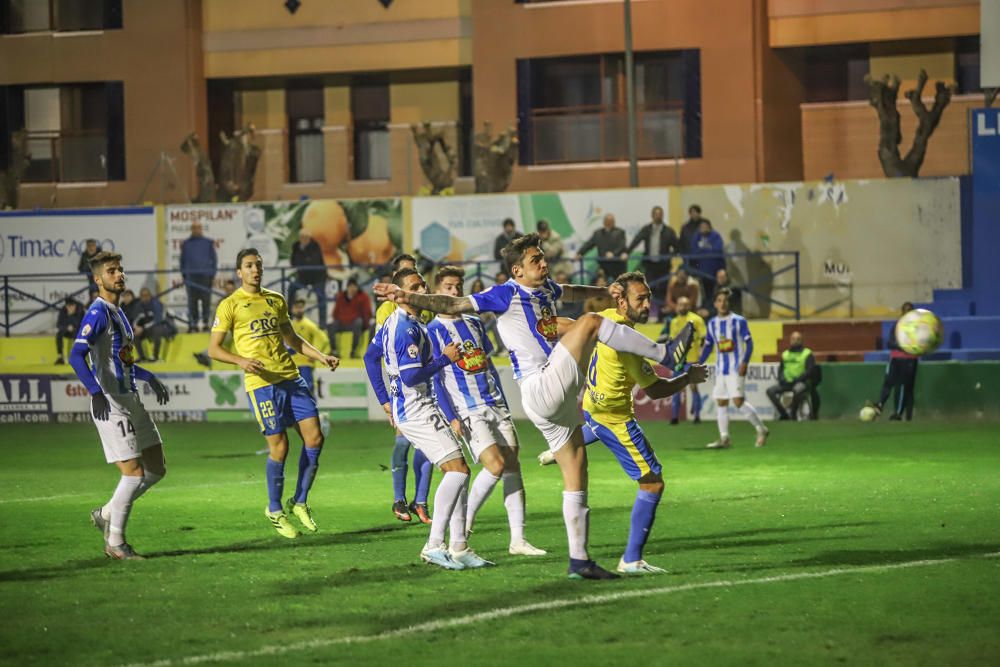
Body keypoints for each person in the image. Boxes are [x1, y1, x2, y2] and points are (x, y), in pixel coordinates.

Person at [374, 233, 695, 580]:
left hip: (551, 394)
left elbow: (573, 292)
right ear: (517, 269)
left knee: (576, 472)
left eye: (542, 257)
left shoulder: (545, 290)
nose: (543, 263)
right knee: (589, 323)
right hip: (540, 384)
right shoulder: (505, 293)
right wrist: (408, 296)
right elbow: (453, 305)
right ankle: (664, 353)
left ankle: (579, 560)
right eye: (535, 260)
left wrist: (607, 292)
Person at [364, 268, 492, 570]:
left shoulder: (398, 321)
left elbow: (371, 358)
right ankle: (434, 545)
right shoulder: (406, 329)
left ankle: (459, 547)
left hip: (416, 407)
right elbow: (411, 377)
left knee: (459, 471)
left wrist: (385, 401)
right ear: (400, 293)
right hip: (416, 409)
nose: (421, 290)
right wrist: (445, 359)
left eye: (422, 285)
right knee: (458, 471)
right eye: (414, 286)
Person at [207, 248, 340, 539]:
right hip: (262, 384)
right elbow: (213, 349)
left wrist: (321, 356)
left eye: (258, 265)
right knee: (280, 447)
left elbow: (292, 338)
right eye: (248, 265)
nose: (255, 269)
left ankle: (300, 501)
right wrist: (241, 361)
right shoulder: (229, 305)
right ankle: (275, 509)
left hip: (290, 377)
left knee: (315, 437)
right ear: (239, 272)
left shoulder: (275, 300)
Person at [582, 272, 707, 573]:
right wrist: (687, 378)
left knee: (596, 427)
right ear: (622, 300)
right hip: (616, 419)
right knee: (652, 482)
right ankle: (631, 559)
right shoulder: (628, 344)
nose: (648, 303)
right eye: (641, 298)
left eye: (649, 296)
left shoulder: (606, 318)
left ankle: (565, 443)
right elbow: (655, 390)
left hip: (591, 409)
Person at [426, 266, 546, 557]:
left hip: (494, 402)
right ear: (437, 292)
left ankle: (518, 540)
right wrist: (451, 415)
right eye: (449, 288)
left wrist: (502, 400)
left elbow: (486, 362)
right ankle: (464, 524)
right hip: (468, 409)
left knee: (512, 464)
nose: (455, 292)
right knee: (494, 465)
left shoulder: (475, 322)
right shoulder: (433, 330)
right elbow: (436, 378)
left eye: (458, 286)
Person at [67, 251, 171, 560]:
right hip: (112, 404)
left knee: (157, 468)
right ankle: (116, 543)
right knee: (134, 474)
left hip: (132, 399)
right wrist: (96, 392)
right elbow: (76, 355)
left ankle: (107, 512)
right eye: (112, 271)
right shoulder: (98, 312)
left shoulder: (119, 312)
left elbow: (121, 362)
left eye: (120, 270)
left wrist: (148, 375)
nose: (119, 275)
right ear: (98, 279)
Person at [374, 253, 434, 523]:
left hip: (430, 385)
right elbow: (382, 355)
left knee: (430, 447)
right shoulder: (387, 312)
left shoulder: (428, 307)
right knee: (403, 443)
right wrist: (386, 400)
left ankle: (420, 500)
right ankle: (399, 498)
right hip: (405, 390)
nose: (418, 287)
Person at [698, 288, 768, 449]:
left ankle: (761, 429)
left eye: (726, 300)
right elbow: (708, 346)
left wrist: (745, 362)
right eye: (720, 301)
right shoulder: (712, 323)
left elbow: (749, 343)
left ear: (729, 303)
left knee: (737, 401)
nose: (723, 304)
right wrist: (699, 363)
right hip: (721, 369)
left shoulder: (739, 321)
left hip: (736, 368)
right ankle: (724, 438)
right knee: (721, 402)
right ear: (715, 304)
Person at [869, 302, 918, 421]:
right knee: (888, 382)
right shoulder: (897, 326)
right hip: (895, 358)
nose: (907, 313)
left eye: (909, 311)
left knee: (903, 386)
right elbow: (890, 343)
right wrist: (903, 346)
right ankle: (880, 405)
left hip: (909, 360)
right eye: (905, 311)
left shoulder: (918, 327)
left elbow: (918, 344)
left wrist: (903, 346)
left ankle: (899, 413)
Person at [627, 206, 679, 304]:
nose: (658, 217)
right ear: (652, 216)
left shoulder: (668, 231)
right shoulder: (647, 229)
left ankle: (662, 312)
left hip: (664, 265)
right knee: (649, 288)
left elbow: (677, 246)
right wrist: (627, 252)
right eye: (656, 214)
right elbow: (636, 240)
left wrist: (670, 255)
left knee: (663, 288)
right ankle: (649, 313)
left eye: (660, 215)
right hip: (650, 265)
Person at [668, 296, 707, 425]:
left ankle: (697, 415)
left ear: (689, 306)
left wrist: (702, 353)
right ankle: (674, 417)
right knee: (676, 388)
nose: (682, 307)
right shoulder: (674, 322)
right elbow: (673, 340)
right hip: (678, 361)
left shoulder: (696, 319)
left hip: (692, 358)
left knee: (693, 387)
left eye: (685, 304)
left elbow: (703, 337)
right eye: (680, 304)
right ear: (677, 306)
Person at [766, 331, 820, 421]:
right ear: (790, 340)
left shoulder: (807, 354)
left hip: (801, 382)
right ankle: (784, 414)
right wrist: (782, 379)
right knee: (770, 391)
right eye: (793, 339)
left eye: (798, 339)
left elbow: (810, 371)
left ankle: (793, 414)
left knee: (797, 390)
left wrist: (798, 379)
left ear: (801, 341)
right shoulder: (785, 354)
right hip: (786, 383)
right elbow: (781, 370)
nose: (795, 341)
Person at [180, 221, 218, 332]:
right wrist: (185, 275)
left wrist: (212, 274)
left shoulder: (208, 243)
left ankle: (206, 323)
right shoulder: (186, 244)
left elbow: (214, 260)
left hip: (205, 276)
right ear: (191, 229)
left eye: (198, 228)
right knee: (192, 302)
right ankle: (193, 324)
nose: (196, 230)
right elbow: (182, 261)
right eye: (194, 228)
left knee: (206, 301)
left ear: (202, 229)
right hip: (191, 277)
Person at [289, 298, 331, 394]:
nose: (299, 310)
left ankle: (311, 408)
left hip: (305, 364)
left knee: (307, 389)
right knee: (293, 391)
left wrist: (315, 354)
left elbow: (324, 340)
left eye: (301, 307)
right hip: (292, 364)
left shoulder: (309, 325)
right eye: (296, 307)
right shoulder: (289, 325)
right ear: (292, 309)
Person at [288, 230, 328, 329]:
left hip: (317, 277)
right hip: (303, 277)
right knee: (291, 289)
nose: (304, 240)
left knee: (321, 296)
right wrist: (303, 255)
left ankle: (322, 323)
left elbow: (314, 261)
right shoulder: (296, 246)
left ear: (310, 238)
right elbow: (293, 262)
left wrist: (303, 258)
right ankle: (289, 317)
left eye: (306, 238)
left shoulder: (315, 246)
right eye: (302, 237)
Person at [576, 213, 628, 281]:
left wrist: (613, 253)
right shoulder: (598, 233)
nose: (610, 223)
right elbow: (589, 244)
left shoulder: (620, 232)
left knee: (620, 286)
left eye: (612, 221)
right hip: (603, 265)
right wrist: (580, 253)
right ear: (604, 222)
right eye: (608, 221)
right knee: (598, 283)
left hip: (617, 265)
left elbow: (621, 246)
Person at [329, 277, 372, 358]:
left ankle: (353, 351)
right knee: (331, 325)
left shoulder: (363, 297)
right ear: (347, 287)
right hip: (342, 322)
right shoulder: (341, 296)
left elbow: (367, 311)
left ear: (357, 287)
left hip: (355, 323)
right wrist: (337, 319)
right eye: (350, 287)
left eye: (354, 287)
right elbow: (335, 312)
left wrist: (365, 324)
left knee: (358, 323)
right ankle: (334, 350)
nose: (352, 289)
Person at [131, 287, 177, 362]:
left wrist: (143, 328)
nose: (145, 297)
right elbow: (135, 319)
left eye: (147, 295)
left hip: (162, 327)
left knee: (157, 331)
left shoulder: (156, 304)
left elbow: (157, 320)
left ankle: (156, 356)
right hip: (147, 329)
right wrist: (136, 327)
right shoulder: (138, 305)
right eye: (143, 295)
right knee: (135, 334)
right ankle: (142, 357)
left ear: (150, 295)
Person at [689, 221, 725, 307]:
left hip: (715, 268)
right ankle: (706, 308)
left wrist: (702, 250)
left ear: (710, 227)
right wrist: (708, 249)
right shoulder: (696, 236)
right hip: (700, 269)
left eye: (705, 226)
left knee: (715, 292)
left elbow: (717, 250)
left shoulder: (715, 236)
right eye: (702, 227)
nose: (704, 228)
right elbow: (694, 252)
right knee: (703, 293)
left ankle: (713, 309)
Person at [55, 298, 83, 364]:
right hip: (67, 330)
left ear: (75, 305)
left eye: (72, 306)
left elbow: (80, 324)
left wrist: (70, 315)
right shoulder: (63, 310)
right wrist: (66, 327)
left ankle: (76, 357)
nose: (70, 308)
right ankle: (60, 357)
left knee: (76, 334)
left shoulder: (80, 310)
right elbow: (59, 324)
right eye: (68, 306)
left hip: (78, 331)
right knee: (59, 335)